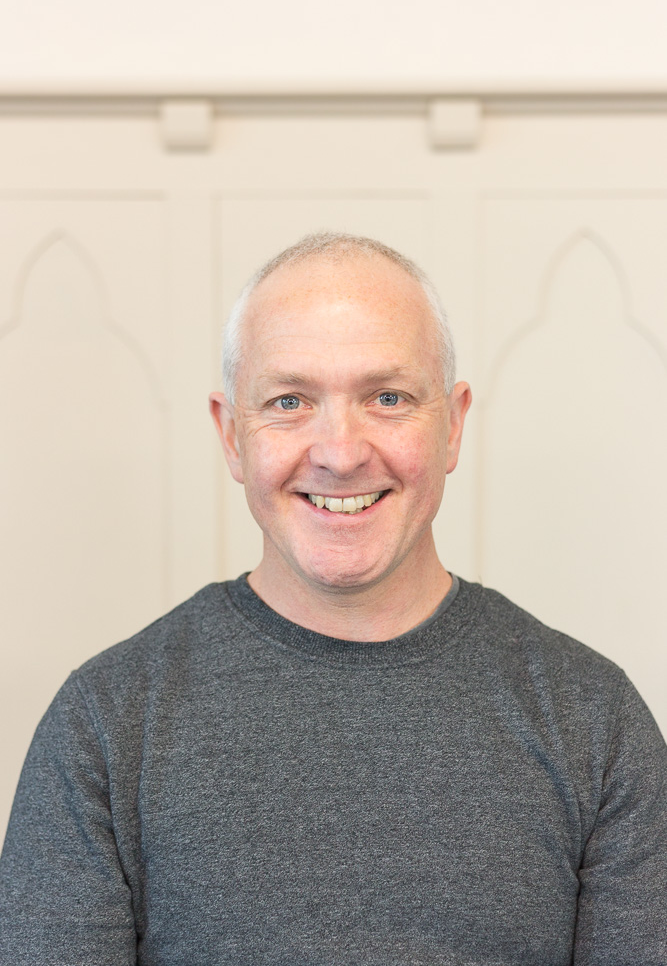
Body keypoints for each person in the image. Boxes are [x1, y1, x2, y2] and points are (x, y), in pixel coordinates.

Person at [0, 231, 665, 965]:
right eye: (289, 401)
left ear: (452, 425)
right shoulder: (103, 722)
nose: (340, 453)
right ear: (231, 435)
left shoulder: (595, 720)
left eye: (388, 398)